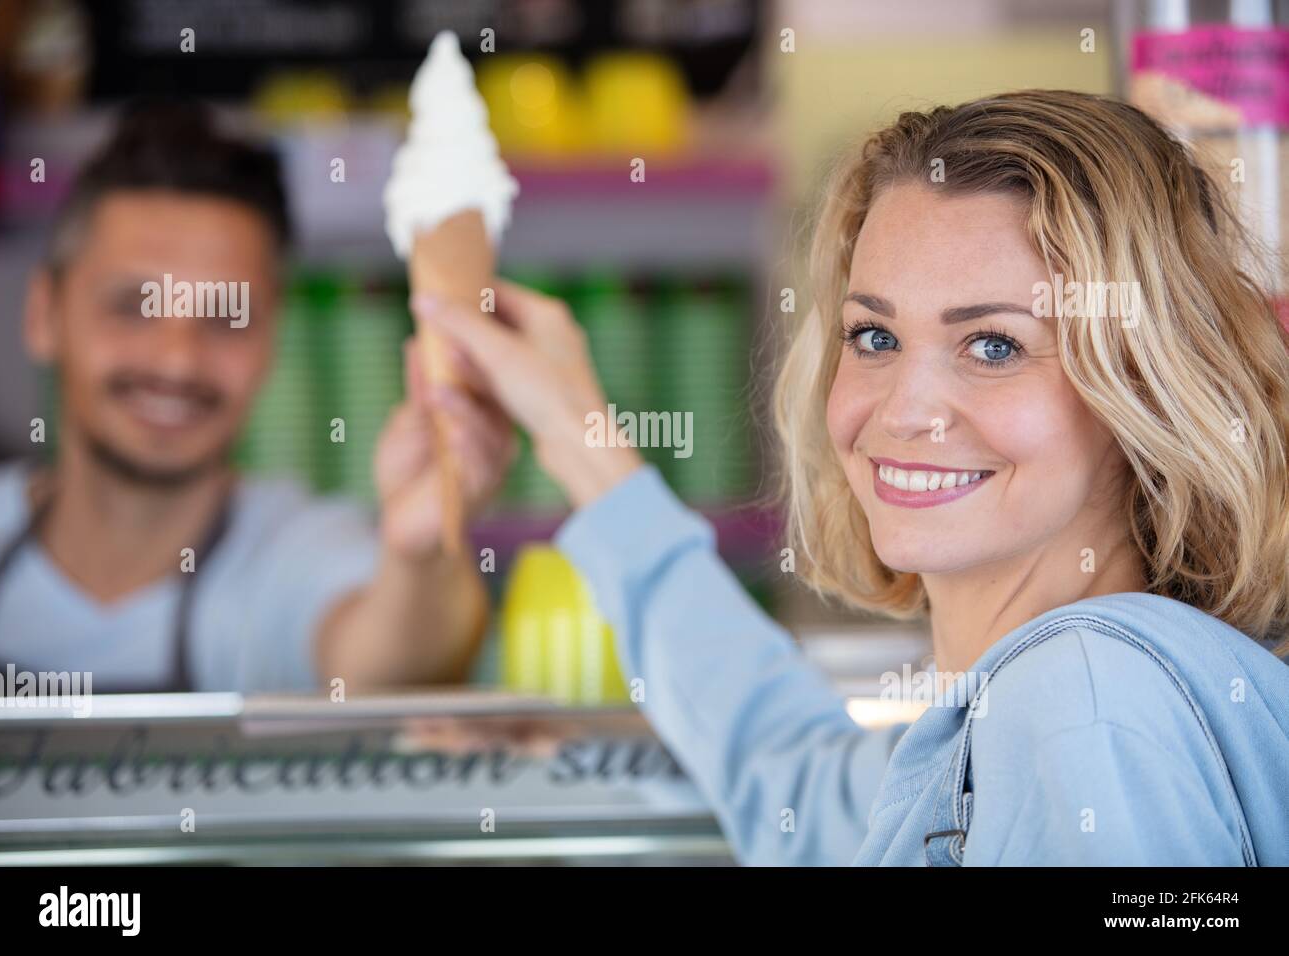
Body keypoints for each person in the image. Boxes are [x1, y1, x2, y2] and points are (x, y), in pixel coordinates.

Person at [412, 90, 1289, 865]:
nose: (905, 410)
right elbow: (792, 780)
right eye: (875, 336)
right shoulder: (1012, 717)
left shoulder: (1080, 701)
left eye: (993, 346)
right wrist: (575, 432)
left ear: (1145, 386)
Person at [0, 101, 512, 694]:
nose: (177, 359)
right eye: (133, 306)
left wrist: (423, 551)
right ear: (43, 315)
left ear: (271, 339)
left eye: (227, 316)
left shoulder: (294, 555)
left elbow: (394, 668)